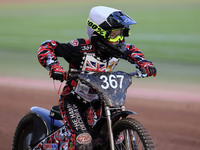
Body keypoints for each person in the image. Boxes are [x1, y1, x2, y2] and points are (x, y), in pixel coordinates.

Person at [37, 6, 156, 150]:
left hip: (103, 100)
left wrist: (145, 64)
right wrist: (55, 67)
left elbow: (132, 51)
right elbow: (47, 46)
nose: (119, 39)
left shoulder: (118, 49)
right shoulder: (80, 48)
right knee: (84, 141)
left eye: (121, 33)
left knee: (114, 138)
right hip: (75, 101)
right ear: (98, 33)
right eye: (113, 35)